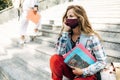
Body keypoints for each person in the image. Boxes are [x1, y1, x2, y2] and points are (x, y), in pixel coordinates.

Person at [50, 5, 107, 80]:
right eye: (67, 17)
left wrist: (83, 71)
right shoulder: (66, 35)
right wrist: (64, 32)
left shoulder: (92, 38)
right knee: (54, 59)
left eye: (71, 16)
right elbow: (59, 53)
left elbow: (102, 62)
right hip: (72, 71)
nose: (68, 19)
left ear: (80, 18)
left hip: (88, 74)